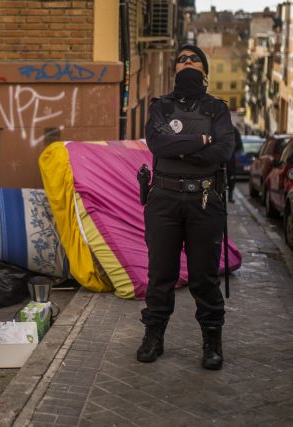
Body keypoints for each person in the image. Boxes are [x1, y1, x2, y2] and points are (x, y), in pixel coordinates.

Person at [137, 44, 235, 370]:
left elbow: (222, 152)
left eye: (194, 59)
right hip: (163, 199)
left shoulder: (217, 110)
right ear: (175, 68)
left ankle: (212, 342)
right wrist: (201, 142)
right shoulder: (161, 106)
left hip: (204, 200)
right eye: (182, 59)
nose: (188, 61)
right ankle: (153, 336)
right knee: (160, 275)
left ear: (204, 70)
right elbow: (157, 143)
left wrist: (179, 150)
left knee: (204, 277)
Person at [226, 127, 244, 203]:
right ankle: (228, 196)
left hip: (229, 158)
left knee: (231, 178)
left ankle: (230, 196)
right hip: (223, 158)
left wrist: (233, 147)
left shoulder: (234, 130)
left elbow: (239, 145)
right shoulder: (233, 129)